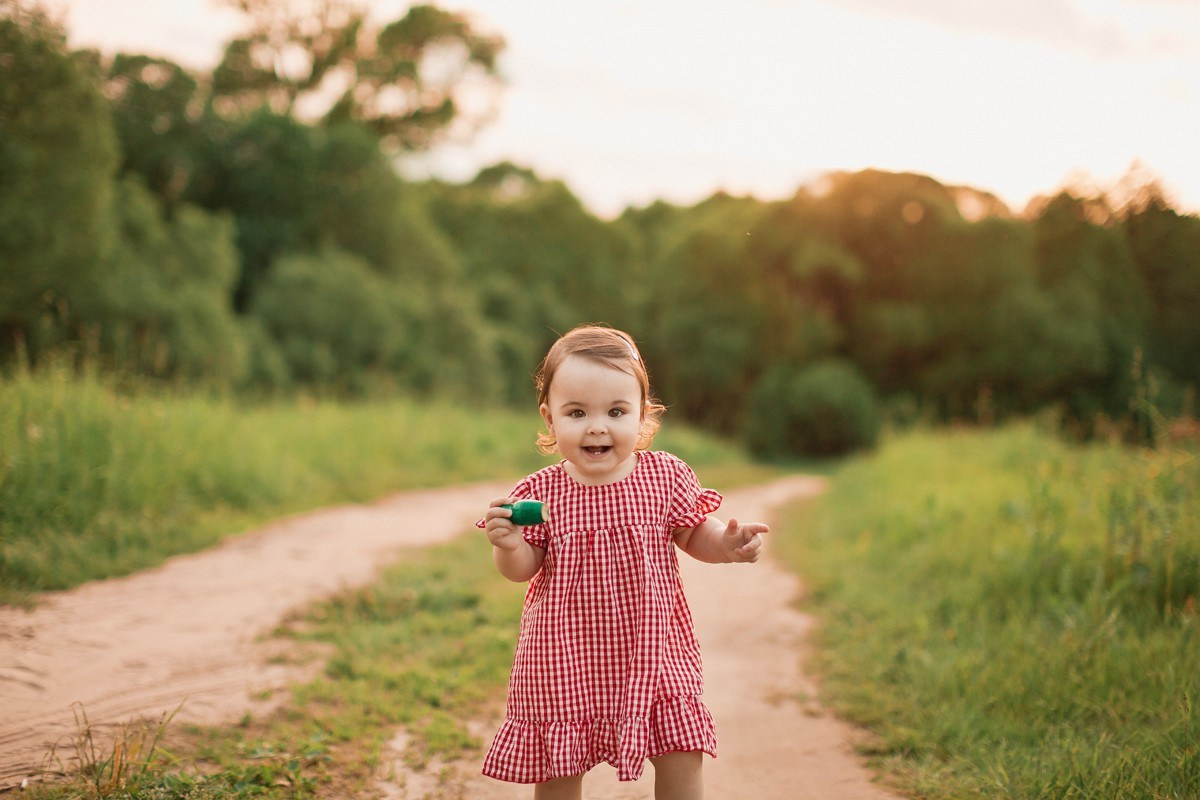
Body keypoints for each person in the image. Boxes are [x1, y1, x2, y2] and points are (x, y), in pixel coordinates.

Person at [479, 324, 769, 800]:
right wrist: (509, 546)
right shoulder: (541, 492)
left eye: (616, 411)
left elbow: (695, 532)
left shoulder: (663, 476)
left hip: (653, 645)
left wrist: (727, 544)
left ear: (642, 415)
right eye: (577, 413)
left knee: (680, 746)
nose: (597, 426)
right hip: (563, 654)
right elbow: (523, 569)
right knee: (558, 760)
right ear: (549, 419)